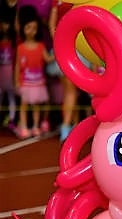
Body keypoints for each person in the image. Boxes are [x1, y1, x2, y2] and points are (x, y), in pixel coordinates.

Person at [14, 9, 54, 139]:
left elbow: (48, 59)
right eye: (28, 28)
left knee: (37, 105)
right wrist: (16, 80)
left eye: (34, 28)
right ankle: (24, 127)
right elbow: (18, 66)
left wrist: (57, 52)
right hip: (25, 82)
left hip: (38, 82)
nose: (31, 31)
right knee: (24, 105)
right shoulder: (20, 47)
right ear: (23, 29)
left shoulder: (41, 46)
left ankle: (36, 126)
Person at [48, 0, 79, 141]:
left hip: (78, 47)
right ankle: (67, 126)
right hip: (64, 48)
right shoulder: (56, 2)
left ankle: (71, 125)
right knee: (70, 90)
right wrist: (60, 43)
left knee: (71, 90)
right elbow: (52, 24)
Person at [0, 8, 17, 132]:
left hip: (10, 70)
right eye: (3, 24)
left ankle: (12, 119)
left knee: (11, 95)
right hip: (1, 71)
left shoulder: (13, 41)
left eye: (7, 24)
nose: (5, 26)